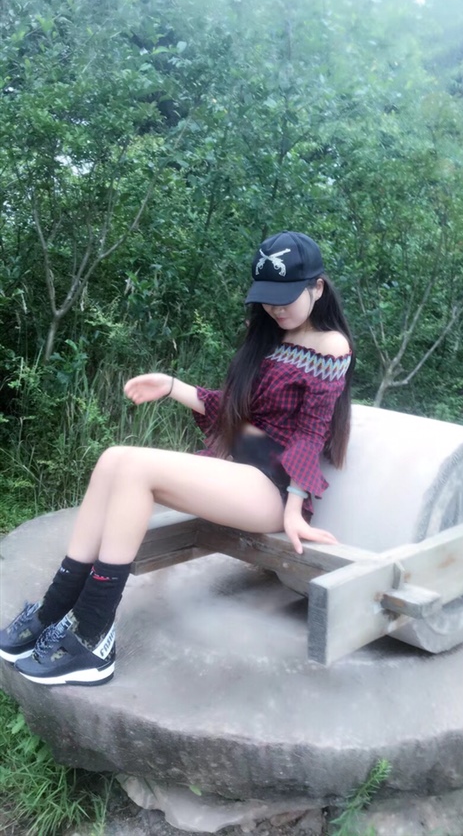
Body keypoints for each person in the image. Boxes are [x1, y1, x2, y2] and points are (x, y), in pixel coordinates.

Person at [0, 231, 355, 686]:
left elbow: (311, 432)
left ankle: (92, 635)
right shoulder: (267, 335)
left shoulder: (330, 346)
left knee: (136, 468)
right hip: (239, 471)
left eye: (285, 297)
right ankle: (54, 609)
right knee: (113, 458)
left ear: (317, 287)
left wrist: (293, 509)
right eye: (267, 298)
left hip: (273, 485)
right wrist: (171, 386)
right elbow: (235, 409)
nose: (275, 308)